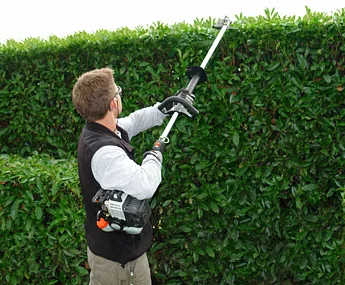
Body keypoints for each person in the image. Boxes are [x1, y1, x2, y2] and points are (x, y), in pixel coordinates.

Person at [71, 67, 169, 285]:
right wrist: (154, 154)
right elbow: (145, 184)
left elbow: (133, 122)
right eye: (118, 92)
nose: (119, 96)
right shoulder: (105, 154)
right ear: (113, 104)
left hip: (125, 255)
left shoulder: (101, 129)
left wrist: (163, 109)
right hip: (115, 264)